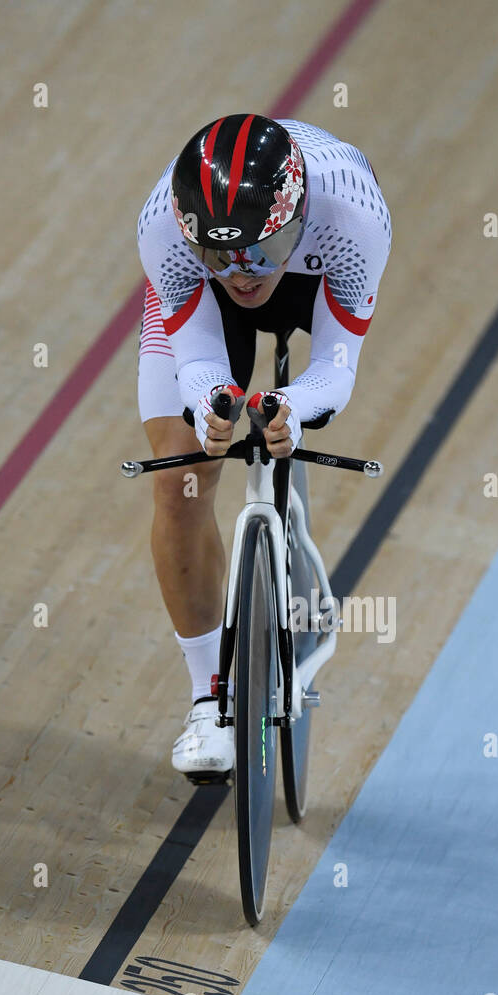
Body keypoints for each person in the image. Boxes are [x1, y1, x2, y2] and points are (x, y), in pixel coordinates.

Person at [136, 114, 391, 779]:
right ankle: (207, 697)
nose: (245, 275)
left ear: (298, 218)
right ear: (193, 234)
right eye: (223, 255)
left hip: (313, 281)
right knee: (180, 479)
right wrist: (212, 406)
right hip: (207, 302)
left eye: (261, 251)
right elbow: (194, 361)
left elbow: (335, 368)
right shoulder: (164, 227)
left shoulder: (353, 214)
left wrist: (292, 407)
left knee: (277, 401)